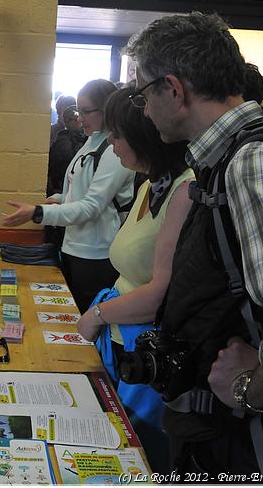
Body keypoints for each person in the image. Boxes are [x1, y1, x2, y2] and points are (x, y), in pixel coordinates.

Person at [125, 12, 263, 476]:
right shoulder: (225, 160)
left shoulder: (255, 160)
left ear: (173, 89)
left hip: (249, 443)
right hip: (221, 433)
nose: (143, 108)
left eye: (142, 93)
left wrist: (253, 388)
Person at [74, 87, 194, 474]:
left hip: (148, 347)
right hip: (124, 339)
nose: (110, 142)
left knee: (141, 456)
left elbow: (159, 293)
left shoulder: (185, 190)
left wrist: (97, 314)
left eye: (117, 134)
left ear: (144, 137)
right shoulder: (148, 184)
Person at [3, 79, 134, 311]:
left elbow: (91, 206)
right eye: (77, 110)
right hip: (74, 247)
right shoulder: (91, 142)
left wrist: (39, 213)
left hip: (96, 255)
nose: (79, 118)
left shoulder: (115, 151)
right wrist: (60, 199)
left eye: (86, 111)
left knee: (87, 323)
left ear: (107, 110)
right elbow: (81, 193)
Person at [45, 103, 87, 249]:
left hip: (66, 197)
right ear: (68, 122)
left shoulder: (84, 141)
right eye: (77, 118)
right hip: (62, 195)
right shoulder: (65, 143)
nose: (81, 121)